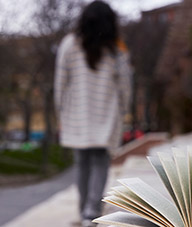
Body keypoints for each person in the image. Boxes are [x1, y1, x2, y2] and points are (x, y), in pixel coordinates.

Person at [54, 1, 132, 227]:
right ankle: (92, 211)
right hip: (106, 115)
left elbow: (60, 82)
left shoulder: (69, 44)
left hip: (76, 115)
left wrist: (60, 111)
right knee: (100, 163)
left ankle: (85, 212)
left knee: (82, 164)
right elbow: (125, 85)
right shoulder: (117, 49)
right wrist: (123, 109)